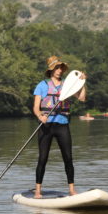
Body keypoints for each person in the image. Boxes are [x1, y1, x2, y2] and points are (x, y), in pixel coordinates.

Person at [33, 56, 85, 198]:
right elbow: (36, 108)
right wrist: (40, 116)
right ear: (51, 70)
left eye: (61, 67)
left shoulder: (67, 86)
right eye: (57, 67)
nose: (60, 70)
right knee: (43, 158)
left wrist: (82, 82)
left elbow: (82, 98)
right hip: (46, 125)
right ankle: (38, 191)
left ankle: (72, 190)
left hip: (62, 125)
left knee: (68, 158)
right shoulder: (42, 85)